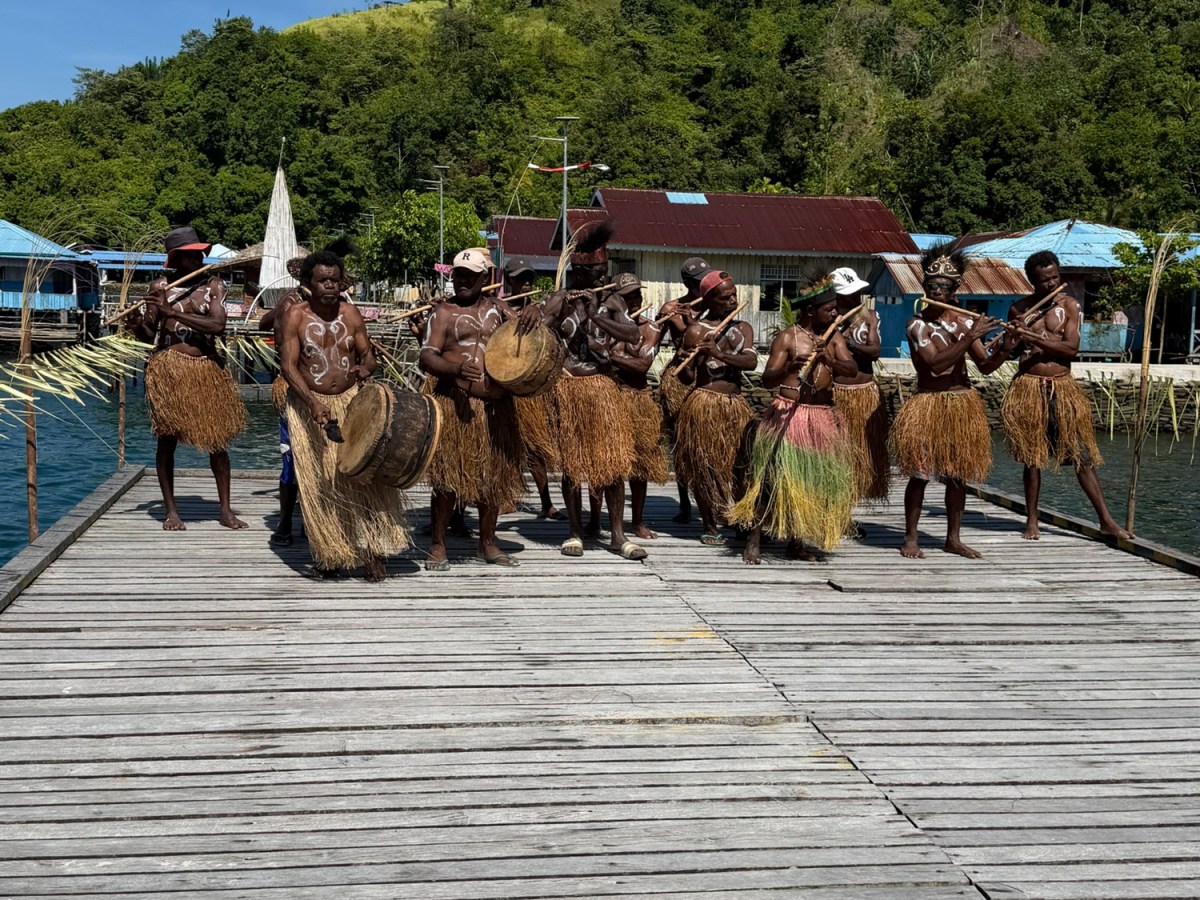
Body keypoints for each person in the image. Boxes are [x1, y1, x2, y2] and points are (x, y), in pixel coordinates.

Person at [278, 250, 409, 582]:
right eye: (322, 281)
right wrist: (312, 403)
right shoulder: (295, 316)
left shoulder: (351, 314)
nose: (330, 287)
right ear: (308, 283)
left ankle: (371, 554)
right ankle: (330, 551)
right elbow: (288, 367)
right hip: (311, 407)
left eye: (335, 280)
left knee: (364, 477)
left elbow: (368, 356)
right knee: (321, 483)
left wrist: (365, 369)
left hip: (351, 403)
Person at [526, 219, 646, 559]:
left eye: (604, 271)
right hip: (569, 388)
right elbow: (539, 329)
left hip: (603, 388)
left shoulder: (610, 303)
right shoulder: (560, 299)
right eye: (596, 272)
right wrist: (534, 314)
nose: (602, 277)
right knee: (572, 465)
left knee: (613, 463)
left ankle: (618, 536)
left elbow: (632, 336)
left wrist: (596, 317)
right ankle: (575, 531)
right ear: (580, 272)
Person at [890, 242, 1012, 559]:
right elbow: (935, 364)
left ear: (954, 289)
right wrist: (970, 337)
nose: (939, 292)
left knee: (958, 475)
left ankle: (953, 538)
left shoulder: (964, 322)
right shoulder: (916, 324)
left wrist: (1008, 344)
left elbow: (985, 365)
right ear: (925, 287)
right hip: (929, 403)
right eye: (933, 287)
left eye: (944, 287)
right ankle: (911, 537)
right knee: (920, 473)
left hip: (961, 403)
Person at [1001, 250, 1129, 540]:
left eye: (1055, 277)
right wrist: (1013, 338)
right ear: (1032, 280)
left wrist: (1034, 339)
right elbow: (1013, 352)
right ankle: (1031, 521)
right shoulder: (1019, 310)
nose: (1051, 284)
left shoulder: (1070, 305)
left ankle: (1106, 520)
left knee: (1081, 456)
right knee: (1032, 459)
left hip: (1061, 386)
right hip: (1029, 387)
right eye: (1044, 280)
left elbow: (1071, 349)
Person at [730, 277, 858, 562]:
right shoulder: (788, 337)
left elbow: (851, 368)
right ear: (811, 310)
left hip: (821, 417)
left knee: (810, 482)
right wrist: (790, 366)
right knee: (771, 479)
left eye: (836, 309)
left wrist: (831, 361)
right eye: (830, 309)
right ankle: (754, 539)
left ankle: (796, 541)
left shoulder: (834, 338)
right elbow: (767, 379)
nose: (835, 313)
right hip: (789, 415)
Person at [135, 226, 248, 532]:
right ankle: (171, 511)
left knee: (217, 440)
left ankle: (225, 510)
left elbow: (217, 325)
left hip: (205, 368)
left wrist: (174, 311)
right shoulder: (159, 286)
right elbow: (148, 335)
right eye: (190, 255)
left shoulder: (213, 285)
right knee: (167, 440)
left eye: (200, 253)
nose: (198, 258)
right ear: (176, 259)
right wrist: (137, 324)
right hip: (169, 369)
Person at [419, 248, 525, 571]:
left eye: (469, 276)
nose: (461, 281)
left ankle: (487, 542)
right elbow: (427, 355)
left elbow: (528, 339)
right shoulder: (443, 313)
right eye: (457, 276)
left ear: (484, 279)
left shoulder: (499, 310)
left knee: (493, 476)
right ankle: (438, 544)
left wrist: (530, 318)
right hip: (456, 405)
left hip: (495, 407)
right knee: (448, 477)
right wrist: (453, 370)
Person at [672, 270, 758, 545]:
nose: (733, 301)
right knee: (705, 466)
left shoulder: (743, 327)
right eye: (725, 298)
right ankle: (710, 525)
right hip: (705, 404)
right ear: (709, 301)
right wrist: (681, 359)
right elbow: (687, 378)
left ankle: (742, 518)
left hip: (735, 405)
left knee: (741, 465)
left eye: (734, 295)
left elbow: (750, 362)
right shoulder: (696, 331)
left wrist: (718, 353)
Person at [500, 256, 562, 521]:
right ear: (508, 280)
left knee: (535, 449)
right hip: (502, 385)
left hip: (528, 389)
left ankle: (546, 503)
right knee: (503, 447)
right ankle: (504, 496)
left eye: (529, 279)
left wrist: (535, 310)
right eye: (519, 279)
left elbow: (554, 316)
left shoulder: (537, 307)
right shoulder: (495, 307)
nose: (525, 284)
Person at [608, 273, 670, 539]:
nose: (635, 300)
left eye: (637, 295)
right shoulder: (604, 325)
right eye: (627, 296)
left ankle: (637, 522)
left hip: (638, 397)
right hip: (610, 397)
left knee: (641, 463)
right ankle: (608, 522)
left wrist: (610, 355)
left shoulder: (650, 329)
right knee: (607, 461)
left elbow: (642, 365)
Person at [829, 266, 890, 508]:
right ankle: (835, 511)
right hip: (835, 395)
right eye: (847, 295)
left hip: (864, 395)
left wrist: (847, 342)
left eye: (857, 293)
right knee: (837, 455)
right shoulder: (828, 318)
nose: (854, 299)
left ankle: (849, 512)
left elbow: (874, 352)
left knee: (860, 455)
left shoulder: (871, 317)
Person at [258, 256, 307, 547]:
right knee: (292, 461)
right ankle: (286, 521)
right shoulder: (290, 305)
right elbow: (269, 323)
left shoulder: (339, 308)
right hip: (296, 389)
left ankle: (314, 520)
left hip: (332, 393)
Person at [657, 257, 710, 523]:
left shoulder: (717, 307)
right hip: (679, 381)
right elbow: (651, 342)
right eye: (700, 282)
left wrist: (693, 322)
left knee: (707, 444)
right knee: (680, 443)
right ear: (688, 283)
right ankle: (685, 502)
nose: (704, 286)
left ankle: (712, 500)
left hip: (709, 381)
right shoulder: (672, 308)